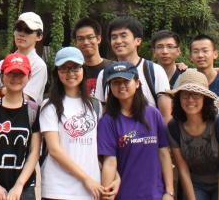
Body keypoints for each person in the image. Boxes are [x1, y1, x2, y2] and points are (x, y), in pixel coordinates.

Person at [39, 47, 116, 200]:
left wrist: (116, 177)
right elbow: (54, 150)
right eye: (64, 69)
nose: (70, 73)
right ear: (57, 73)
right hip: (59, 188)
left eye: (75, 68)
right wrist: (85, 179)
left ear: (83, 70)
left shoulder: (95, 105)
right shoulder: (50, 106)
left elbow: (101, 148)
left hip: (91, 187)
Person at [98, 62, 174, 200]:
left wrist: (169, 192)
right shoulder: (107, 121)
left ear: (137, 83)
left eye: (126, 81)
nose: (121, 86)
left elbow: (164, 153)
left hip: (155, 194)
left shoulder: (153, 114)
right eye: (115, 82)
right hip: (125, 195)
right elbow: (109, 162)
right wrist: (106, 194)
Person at [0, 53, 41, 200]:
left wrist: (19, 185)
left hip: (23, 187)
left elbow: (34, 152)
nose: (15, 78)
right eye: (11, 73)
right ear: (2, 76)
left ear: (29, 77)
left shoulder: (34, 111)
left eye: (20, 74)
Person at [166, 69, 219, 200]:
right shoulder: (174, 127)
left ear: (205, 98)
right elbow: (183, 169)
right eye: (185, 95)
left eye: (196, 95)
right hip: (197, 182)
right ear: (179, 98)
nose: (190, 100)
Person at [94, 17, 172, 122]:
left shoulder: (154, 71)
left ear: (138, 40)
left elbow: (166, 116)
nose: (118, 41)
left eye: (123, 36)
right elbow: (102, 114)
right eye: (114, 37)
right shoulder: (104, 75)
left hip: (150, 135)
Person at [152, 31, 219, 103]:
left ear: (178, 51)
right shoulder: (146, 73)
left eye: (170, 46)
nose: (165, 51)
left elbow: (213, 70)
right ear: (154, 51)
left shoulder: (188, 75)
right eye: (159, 47)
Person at [0, 12, 48, 102]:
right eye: (19, 29)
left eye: (28, 30)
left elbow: (24, 99)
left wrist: (0, 91)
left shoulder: (39, 65)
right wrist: (5, 91)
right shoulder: (2, 63)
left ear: (39, 36)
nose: (21, 34)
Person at [72, 17, 108, 98]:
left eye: (90, 37)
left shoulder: (112, 68)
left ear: (98, 39)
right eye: (80, 39)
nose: (86, 42)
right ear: (75, 42)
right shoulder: (73, 71)